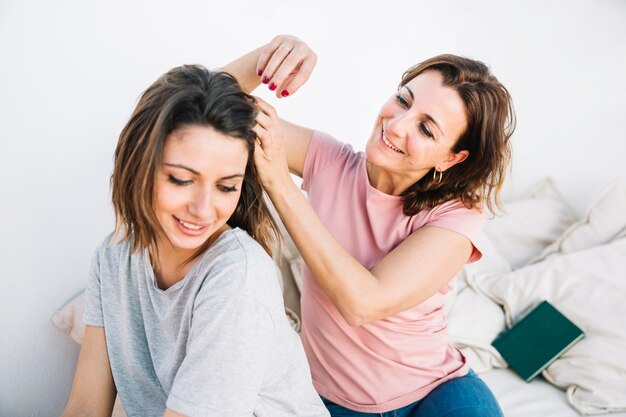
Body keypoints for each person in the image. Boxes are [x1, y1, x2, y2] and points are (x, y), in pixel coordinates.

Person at [224, 35, 515, 416]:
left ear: (452, 158)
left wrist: (279, 182)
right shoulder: (329, 162)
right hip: (327, 400)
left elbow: (364, 303)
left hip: (434, 394)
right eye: (403, 100)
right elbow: (201, 102)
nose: (396, 126)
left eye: (427, 129)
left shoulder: (456, 216)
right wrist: (267, 57)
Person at [61, 65, 329, 417]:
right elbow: (84, 407)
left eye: (226, 186)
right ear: (141, 162)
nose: (203, 210)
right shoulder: (113, 257)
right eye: (182, 179)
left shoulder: (238, 277)